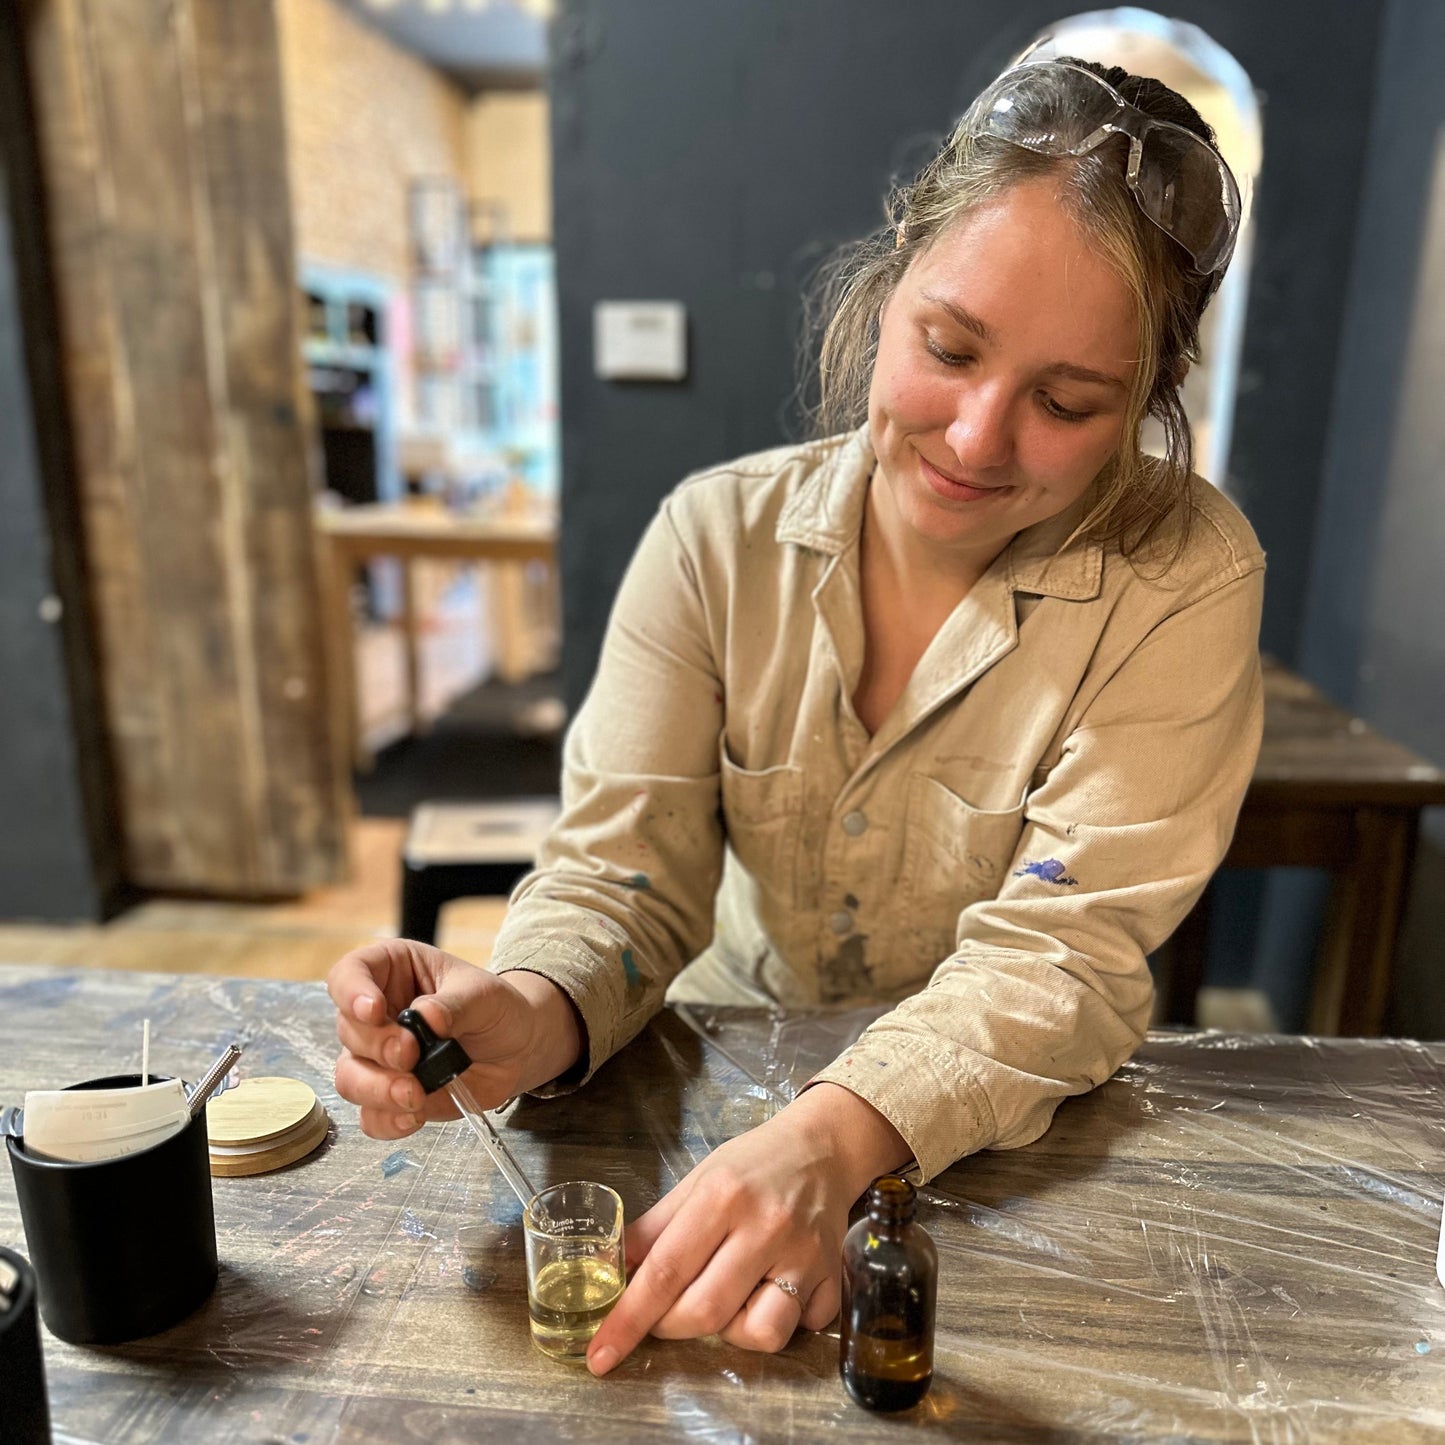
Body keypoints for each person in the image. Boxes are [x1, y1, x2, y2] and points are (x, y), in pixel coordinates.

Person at [327, 50, 1263, 1377]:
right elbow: (623, 878)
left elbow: (1064, 952)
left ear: (1143, 407)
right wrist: (526, 1009)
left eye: (1067, 402)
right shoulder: (714, 539)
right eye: (947, 347)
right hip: (712, 1096)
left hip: (1008, 1145)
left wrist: (833, 1136)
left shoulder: (1181, 575)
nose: (978, 438)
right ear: (884, 293)